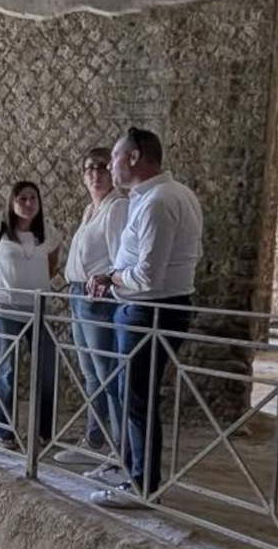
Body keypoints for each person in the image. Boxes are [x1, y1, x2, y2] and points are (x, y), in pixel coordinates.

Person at [85, 126, 203, 507]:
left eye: (115, 158)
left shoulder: (156, 201)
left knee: (137, 398)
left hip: (149, 311)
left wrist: (113, 277)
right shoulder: (166, 194)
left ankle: (142, 486)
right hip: (151, 307)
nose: (111, 166)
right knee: (132, 395)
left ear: (134, 157)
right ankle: (133, 473)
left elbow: (147, 275)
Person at [0, 181, 62, 447]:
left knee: (46, 370)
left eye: (33, 198)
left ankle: (44, 432)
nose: (28, 203)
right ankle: (5, 431)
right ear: (12, 202)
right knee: (8, 370)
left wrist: (39, 283)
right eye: (22, 199)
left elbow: (53, 262)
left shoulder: (48, 233)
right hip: (6, 309)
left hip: (38, 311)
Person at [54, 146, 129, 464]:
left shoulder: (117, 208)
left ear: (112, 172)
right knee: (91, 375)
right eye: (89, 169)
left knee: (108, 374)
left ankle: (119, 448)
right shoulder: (90, 210)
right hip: (78, 296)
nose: (95, 174)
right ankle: (94, 440)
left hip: (98, 300)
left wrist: (108, 279)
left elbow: (120, 257)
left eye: (102, 167)